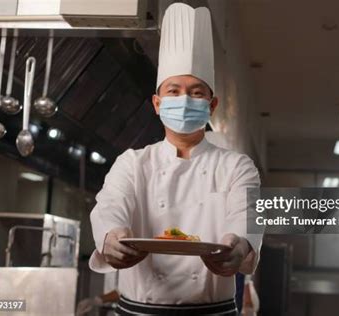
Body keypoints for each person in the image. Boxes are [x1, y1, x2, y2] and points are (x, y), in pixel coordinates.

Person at [89, 3, 262, 315]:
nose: (184, 99)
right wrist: (110, 237)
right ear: (157, 103)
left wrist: (239, 246)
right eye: (173, 91)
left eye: (197, 93)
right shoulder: (131, 163)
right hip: (138, 311)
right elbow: (110, 205)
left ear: (212, 106)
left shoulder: (237, 166)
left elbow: (246, 215)